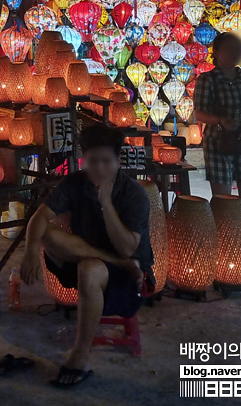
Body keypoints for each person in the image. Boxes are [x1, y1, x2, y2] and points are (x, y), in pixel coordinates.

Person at [18, 124, 152, 388]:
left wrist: (106, 203)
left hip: (127, 276)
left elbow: (127, 249)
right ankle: (105, 262)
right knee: (46, 233)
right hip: (86, 260)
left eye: (106, 162)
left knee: (91, 268)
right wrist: (30, 249)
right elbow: (41, 217)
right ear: (83, 159)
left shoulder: (134, 194)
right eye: (93, 161)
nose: (99, 169)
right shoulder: (76, 182)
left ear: (118, 161)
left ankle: (79, 356)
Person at [192, 32, 241, 271]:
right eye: (230, 49)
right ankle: (221, 253)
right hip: (218, 142)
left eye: (238, 48)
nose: (236, 53)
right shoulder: (208, 80)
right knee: (222, 200)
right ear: (216, 53)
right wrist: (221, 120)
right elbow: (200, 113)